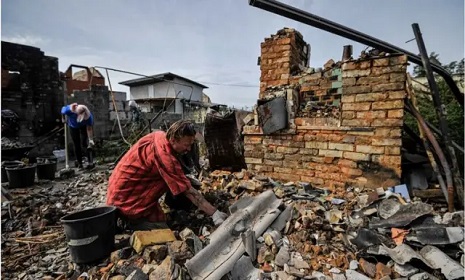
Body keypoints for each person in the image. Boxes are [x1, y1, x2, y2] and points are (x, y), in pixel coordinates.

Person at [106, 120, 228, 230]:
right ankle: (127, 222)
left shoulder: (159, 135)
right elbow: (188, 191)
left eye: (191, 144)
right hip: (126, 201)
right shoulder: (165, 157)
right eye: (186, 145)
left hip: (118, 190)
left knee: (180, 185)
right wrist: (214, 213)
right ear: (174, 139)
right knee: (162, 229)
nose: (189, 149)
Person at [61, 103, 95, 168]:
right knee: (76, 144)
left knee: (85, 143)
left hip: (83, 127)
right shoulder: (68, 110)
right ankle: (79, 163)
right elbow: (62, 110)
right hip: (73, 126)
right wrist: (63, 118)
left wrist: (91, 139)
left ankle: (90, 162)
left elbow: (89, 129)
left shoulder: (89, 117)